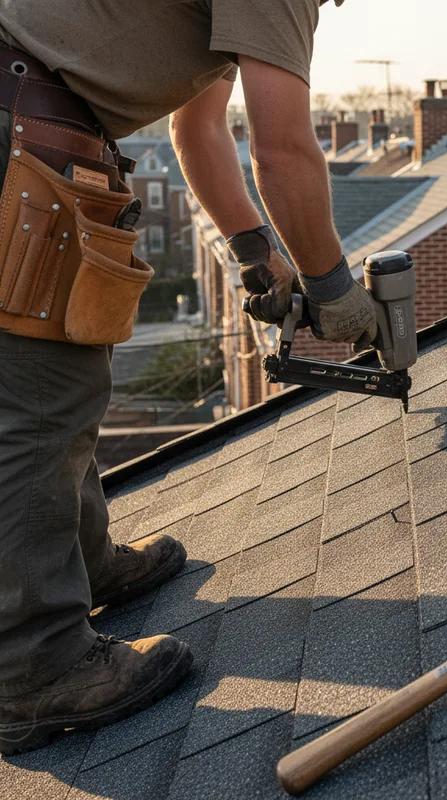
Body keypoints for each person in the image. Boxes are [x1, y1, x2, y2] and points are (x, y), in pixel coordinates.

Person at [0, 0, 372, 755]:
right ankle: (34, 669)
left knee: (63, 373)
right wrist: (334, 289)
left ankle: (83, 564)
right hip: (19, 126)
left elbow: (197, 128)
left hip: (25, 113)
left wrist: (253, 249)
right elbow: (284, 149)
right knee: (38, 404)